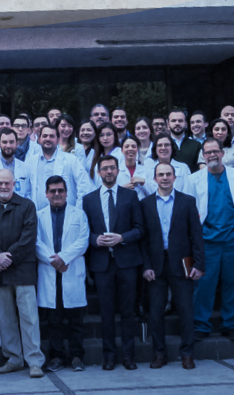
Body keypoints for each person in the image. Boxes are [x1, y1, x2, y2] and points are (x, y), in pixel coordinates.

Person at [81, 155, 144, 370]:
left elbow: (139, 228)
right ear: (99, 172)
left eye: (112, 168)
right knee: (106, 312)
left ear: (118, 171)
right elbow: (84, 232)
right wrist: (95, 240)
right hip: (102, 263)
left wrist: (122, 237)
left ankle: (128, 356)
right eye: (105, 168)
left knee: (128, 311)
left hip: (127, 262)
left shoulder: (130, 196)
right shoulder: (88, 199)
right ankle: (108, 356)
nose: (109, 172)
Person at [142, 161, 206, 368]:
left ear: (174, 177)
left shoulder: (187, 201)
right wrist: (146, 266)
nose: (164, 178)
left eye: (168, 174)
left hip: (184, 262)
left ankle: (187, 353)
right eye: (160, 174)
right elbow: (143, 239)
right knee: (156, 312)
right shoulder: (145, 204)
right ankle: (159, 353)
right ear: (154, 179)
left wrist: (198, 264)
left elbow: (196, 235)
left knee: (186, 310)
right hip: (155, 264)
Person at [190, 139, 234, 344]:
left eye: (215, 151)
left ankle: (231, 325)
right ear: (203, 155)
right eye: (208, 152)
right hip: (206, 242)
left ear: (222, 153)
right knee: (203, 285)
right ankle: (201, 325)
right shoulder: (193, 179)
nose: (212, 155)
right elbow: (188, 210)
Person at [0, 167, 43, 377]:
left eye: (7, 183)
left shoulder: (27, 206)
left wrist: (8, 258)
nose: (3, 186)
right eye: (0, 183)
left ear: (14, 184)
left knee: (29, 317)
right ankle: (14, 359)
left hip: (23, 269)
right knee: (5, 318)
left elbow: (29, 237)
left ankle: (34, 361)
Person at [36, 175, 90, 371]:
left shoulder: (79, 214)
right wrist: (54, 261)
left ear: (67, 193)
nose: (57, 194)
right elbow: (35, 242)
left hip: (71, 268)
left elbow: (83, 241)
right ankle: (57, 356)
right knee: (54, 319)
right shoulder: (38, 215)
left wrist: (64, 258)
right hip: (50, 271)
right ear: (46, 193)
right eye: (53, 191)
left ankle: (77, 356)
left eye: (60, 190)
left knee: (75, 319)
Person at [23, 124, 85, 208]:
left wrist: (76, 211)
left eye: (51, 136)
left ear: (58, 140)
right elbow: (26, 191)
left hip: (67, 212)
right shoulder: (30, 162)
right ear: (39, 139)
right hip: (37, 213)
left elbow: (83, 187)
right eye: (45, 136)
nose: (48, 139)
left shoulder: (71, 160)